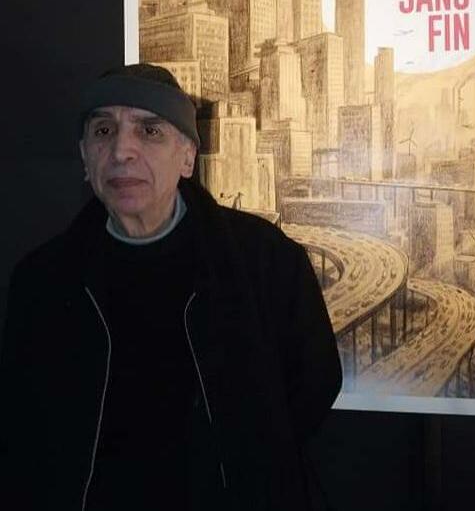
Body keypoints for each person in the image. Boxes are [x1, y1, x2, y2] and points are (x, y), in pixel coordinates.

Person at [0, 63, 342, 511]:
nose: (121, 150)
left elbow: (314, 381)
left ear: (187, 158)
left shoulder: (263, 261)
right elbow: (24, 427)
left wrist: (250, 469)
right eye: (103, 130)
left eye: (149, 130)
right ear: (85, 156)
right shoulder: (42, 282)